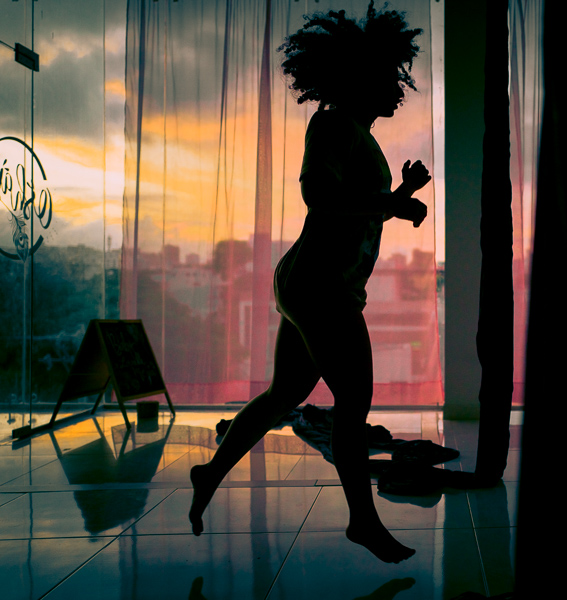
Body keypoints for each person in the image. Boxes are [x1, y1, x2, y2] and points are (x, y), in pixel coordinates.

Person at [189, 1, 429, 564]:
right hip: (319, 285)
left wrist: (397, 200)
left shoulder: (355, 132)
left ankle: (210, 471)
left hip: (317, 282)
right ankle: (362, 523)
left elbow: (355, 205)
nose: (398, 87)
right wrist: (391, 202)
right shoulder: (332, 123)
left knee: (284, 395)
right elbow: (318, 197)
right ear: (359, 78)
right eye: (388, 76)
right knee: (354, 399)